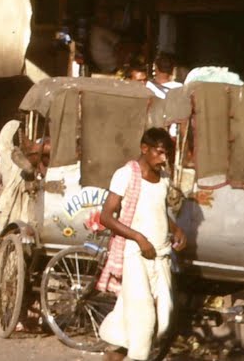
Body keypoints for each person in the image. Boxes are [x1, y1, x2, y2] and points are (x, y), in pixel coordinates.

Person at [98, 128, 186, 361]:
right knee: (144, 321)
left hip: (160, 255)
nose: (163, 159)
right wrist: (138, 237)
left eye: (166, 154)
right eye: (159, 153)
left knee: (163, 317)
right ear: (144, 149)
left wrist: (176, 229)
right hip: (136, 255)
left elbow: (157, 209)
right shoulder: (126, 175)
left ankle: (114, 355)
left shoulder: (164, 179)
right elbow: (106, 217)